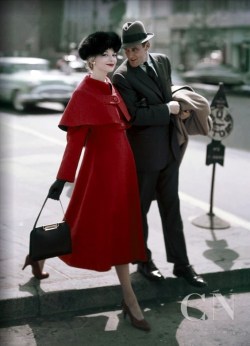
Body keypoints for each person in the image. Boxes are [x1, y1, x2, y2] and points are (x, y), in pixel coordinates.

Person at [22, 31, 150, 332]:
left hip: (123, 170)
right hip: (100, 175)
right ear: (91, 59)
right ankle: (130, 299)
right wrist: (62, 178)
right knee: (88, 230)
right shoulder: (83, 94)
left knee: (120, 231)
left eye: (113, 53)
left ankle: (127, 297)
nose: (112, 58)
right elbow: (75, 144)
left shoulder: (110, 86)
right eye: (106, 53)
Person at [113, 21, 210, 287]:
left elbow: (164, 96)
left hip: (169, 149)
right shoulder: (121, 77)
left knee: (172, 209)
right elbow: (133, 116)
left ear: (147, 46)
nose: (130, 55)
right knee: (139, 211)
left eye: (135, 49)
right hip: (143, 156)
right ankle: (143, 261)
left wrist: (176, 108)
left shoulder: (163, 62)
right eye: (126, 51)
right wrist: (168, 109)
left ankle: (182, 265)